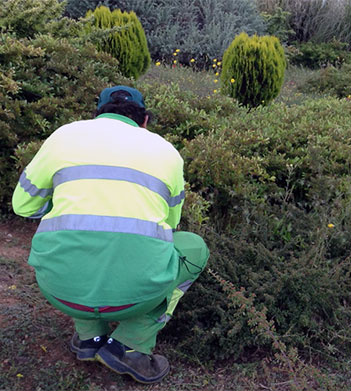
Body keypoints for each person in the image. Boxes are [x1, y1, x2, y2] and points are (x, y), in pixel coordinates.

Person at [12, 85, 209, 383]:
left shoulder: (64, 136)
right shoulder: (167, 152)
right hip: (135, 295)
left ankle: (89, 338)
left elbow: (23, 206)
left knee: (71, 235)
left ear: (96, 116)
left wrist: (69, 203)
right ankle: (130, 344)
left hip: (60, 289)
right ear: (144, 121)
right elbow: (170, 224)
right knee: (193, 247)